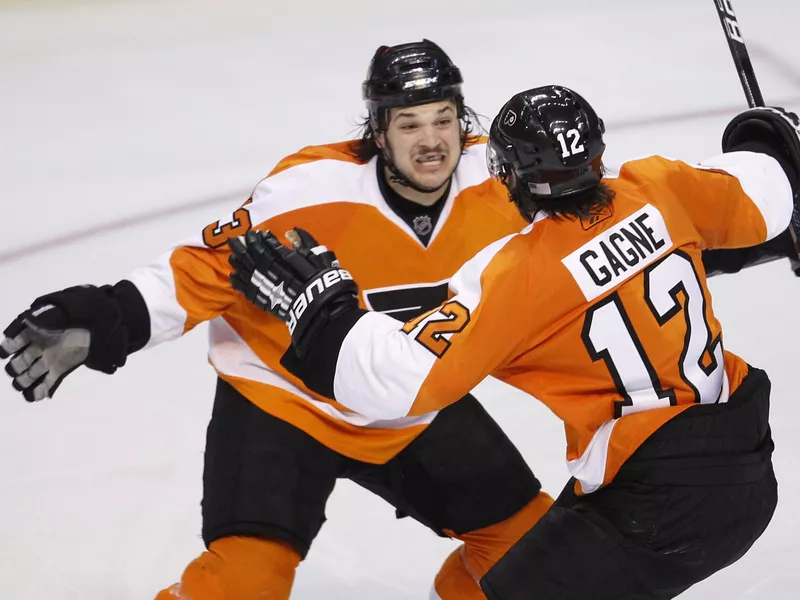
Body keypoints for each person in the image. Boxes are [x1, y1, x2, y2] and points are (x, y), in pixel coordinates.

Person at [0, 41, 557, 600]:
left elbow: (586, 235)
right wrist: (105, 316)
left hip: (406, 396)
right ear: (378, 132)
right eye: (409, 124)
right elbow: (205, 268)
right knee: (245, 584)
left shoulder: (501, 182)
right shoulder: (312, 188)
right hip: (287, 404)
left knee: (539, 556)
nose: (432, 140)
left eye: (444, 119)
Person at [227, 85, 800, 599]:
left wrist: (322, 312)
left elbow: (396, 381)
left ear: (511, 176)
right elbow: (770, 189)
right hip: (744, 464)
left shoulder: (518, 275)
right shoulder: (659, 186)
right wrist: (776, 149)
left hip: (656, 506)